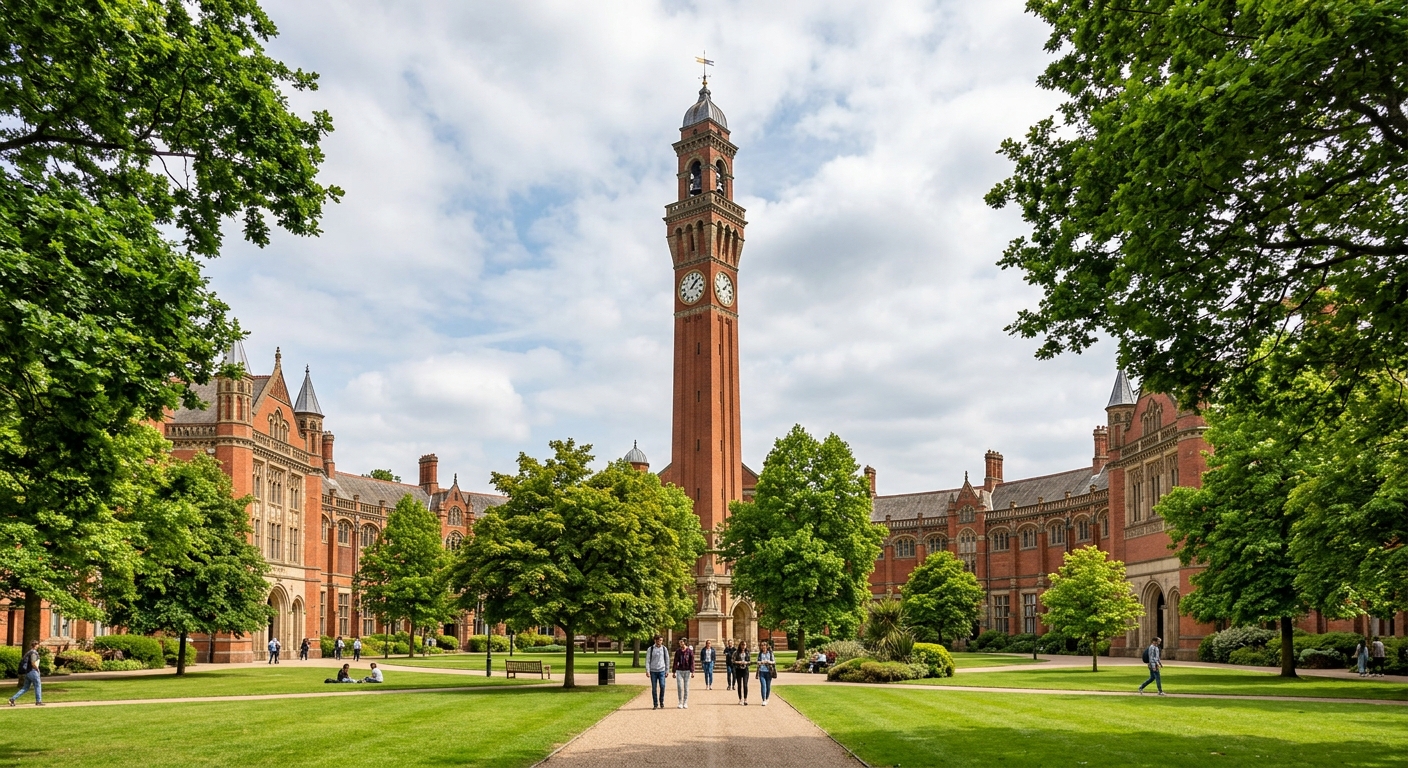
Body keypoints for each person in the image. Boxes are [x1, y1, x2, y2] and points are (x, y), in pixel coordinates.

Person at [8, 641, 43, 707]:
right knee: (38, 685)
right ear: (36, 645)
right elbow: (33, 663)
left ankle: (12, 699)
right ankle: (38, 701)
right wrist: (37, 669)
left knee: (25, 688)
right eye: (38, 645)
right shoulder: (33, 653)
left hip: (27, 672)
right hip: (33, 672)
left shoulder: (29, 652)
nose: (38, 646)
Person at [645, 636, 670, 710]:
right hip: (653, 671)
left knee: (662, 686)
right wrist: (647, 670)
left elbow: (667, 660)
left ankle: (661, 701)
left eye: (661, 640)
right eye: (659, 640)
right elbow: (647, 660)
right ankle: (655, 704)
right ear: (655, 640)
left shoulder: (664, 649)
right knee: (654, 688)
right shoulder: (651, 649)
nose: (660, 642)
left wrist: (667, 670)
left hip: (662, 670)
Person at [673, 637, 695, 709]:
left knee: (686, 687)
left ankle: (685, 702)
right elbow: (675, 661)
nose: (680, 643)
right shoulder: (678, 651)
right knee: (679, 686)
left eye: (681, 642)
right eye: (680, 642)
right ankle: (680, 702)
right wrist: (674, 671)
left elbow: (692, 662)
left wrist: (692, 671)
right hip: (679, 670)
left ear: (685, 642)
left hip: (687, 670)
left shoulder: (689, 651)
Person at [757, 641, 776, 706]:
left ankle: (767, 698)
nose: (763, 647)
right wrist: (760, 662)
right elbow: (758, 661)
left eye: (764, 645)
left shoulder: (770, 653)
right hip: (762, 671)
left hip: (769, 672)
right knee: (763, 685)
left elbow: (774, 662)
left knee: (768, 686)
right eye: (762, 646)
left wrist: (768, 661)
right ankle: (764, 699)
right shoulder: (760, 654)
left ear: (766, 646)